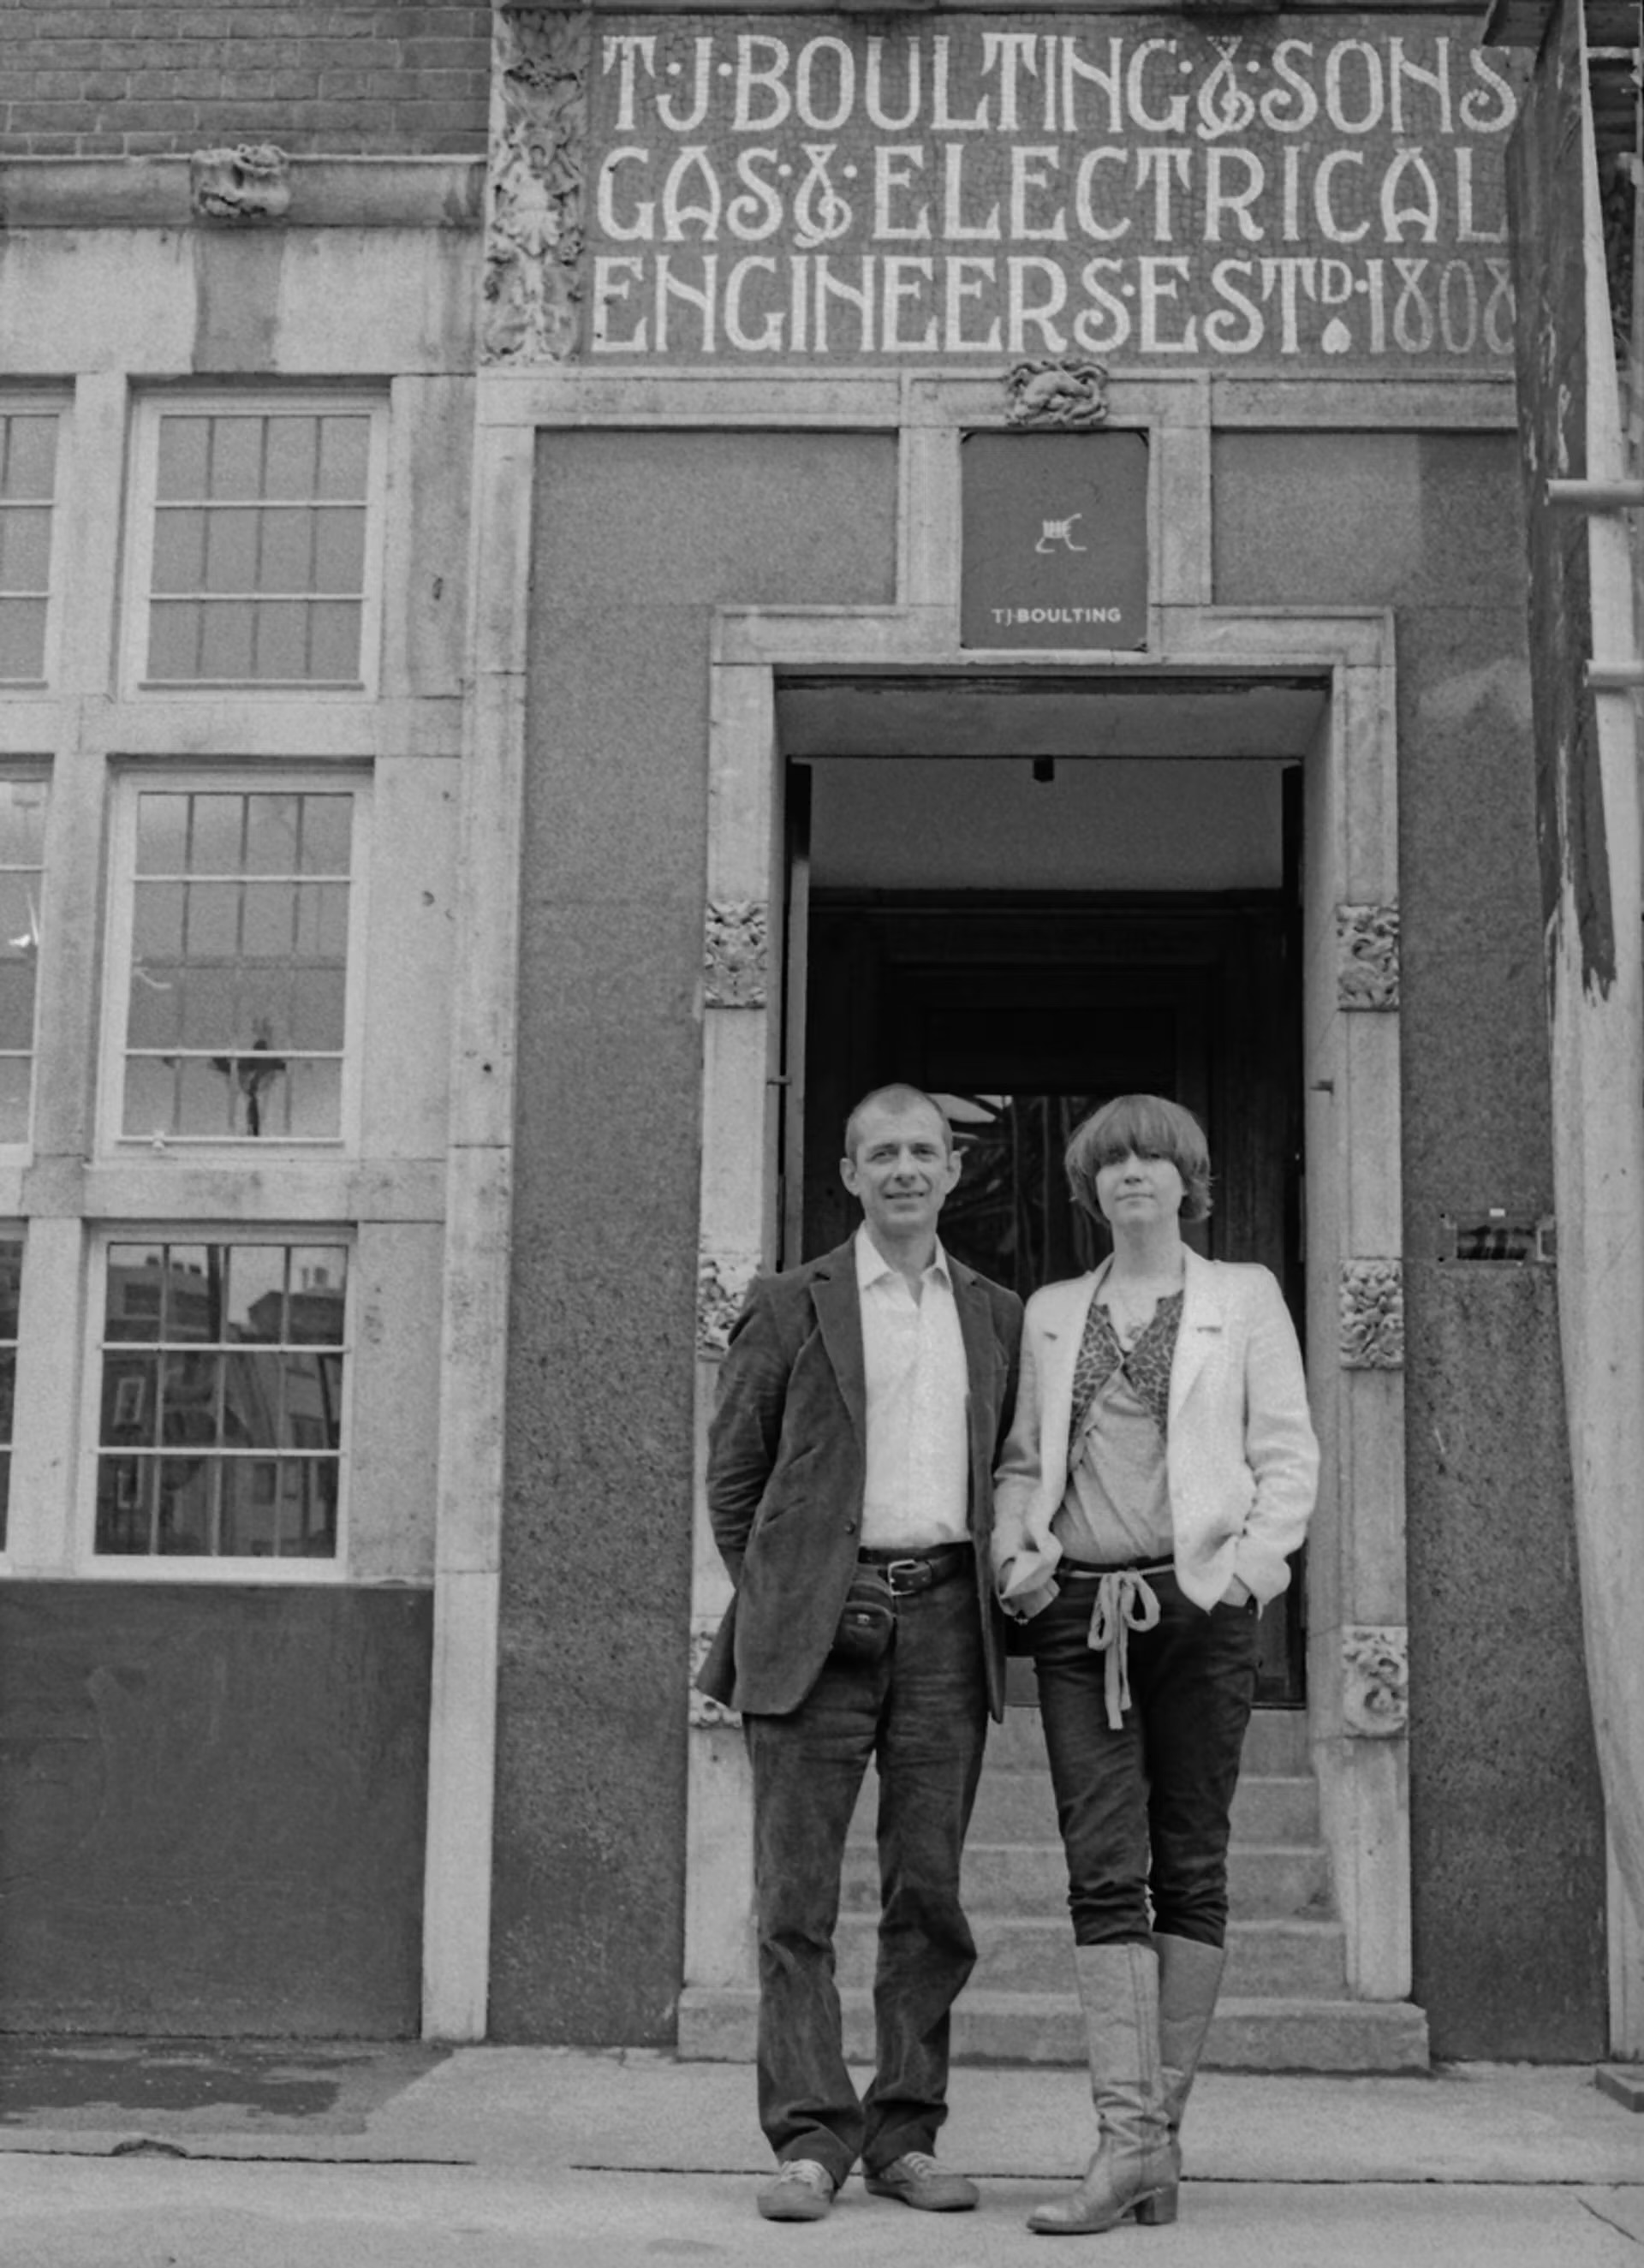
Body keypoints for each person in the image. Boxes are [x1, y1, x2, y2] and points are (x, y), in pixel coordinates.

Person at [992, 1094, 1318, 2236]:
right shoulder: (1052, 1311)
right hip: (1079, 1615)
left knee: (1190, 1864)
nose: (1133, 1173)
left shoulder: (1244, 1296)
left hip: (1199, 1610)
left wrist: (1247, 1576)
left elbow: (1287, 1453)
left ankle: (1144, 2142)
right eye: (1112, 1161)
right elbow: (1022, 1459)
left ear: (1188, 1180)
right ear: (1090, 1187)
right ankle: (1137, 2146)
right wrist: (1017, 1562)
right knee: (1100, 1867)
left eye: (1153, 1158)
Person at [698, 1083, 1023, 2223]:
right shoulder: (790, 1304)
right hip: (817, 1635)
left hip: (946, 1625)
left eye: (923, 1151)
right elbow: (733, 1481)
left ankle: (904, 2134)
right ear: (849, 1173)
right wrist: (794, 1596)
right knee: (795, 1903)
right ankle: (808, 2139)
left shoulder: (994, 1314)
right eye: (881, 1153)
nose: (904, 1170)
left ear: (953, 1169)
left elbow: (1010, 1467)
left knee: (928, 1898)